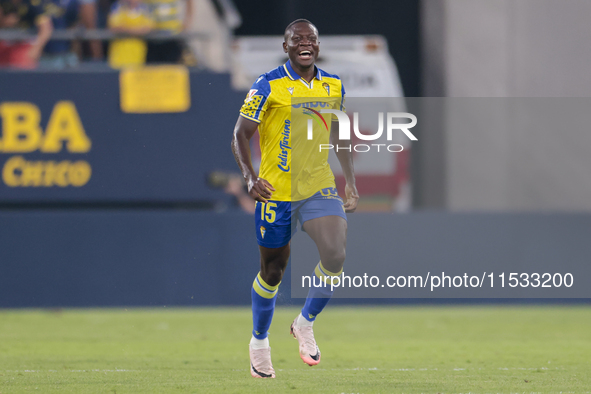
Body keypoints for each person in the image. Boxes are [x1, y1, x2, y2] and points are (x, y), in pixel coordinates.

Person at [231, 19, 359, 379]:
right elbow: (240, 134)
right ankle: (259, 342)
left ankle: (305, 322)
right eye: (297, 39)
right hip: (276, 191)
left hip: (318, 186)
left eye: (312, 38)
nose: (306, 43)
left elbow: (339, 133)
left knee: (335, 253)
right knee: (273, 271)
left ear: (318, 46)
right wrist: (250, 178)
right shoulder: (267, 84)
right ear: (285, 47)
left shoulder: (333, 85)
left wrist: (349, 180)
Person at [0, 0, 53, 68]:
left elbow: (46, 29)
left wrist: (36, 49)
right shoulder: (3, 2)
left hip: (24, 47)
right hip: (4, 46)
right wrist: (4, 21)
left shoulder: (33, 4)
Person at [107, 0, 153, 68]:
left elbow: (148, 28)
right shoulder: (118, 6)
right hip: (118, 56)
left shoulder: (145, 8)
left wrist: (126, 29)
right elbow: (114, 28)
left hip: (138, 55)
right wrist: (137, 30)